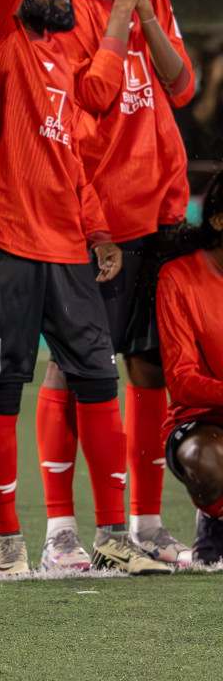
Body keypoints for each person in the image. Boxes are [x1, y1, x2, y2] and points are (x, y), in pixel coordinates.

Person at [0, 0, 171, 576]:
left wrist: (95, 226)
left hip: (63, 242)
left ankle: (113, 537)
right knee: (5, 382)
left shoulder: (58, 53)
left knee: (98, 378)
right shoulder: (6, 29)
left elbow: (77, 143)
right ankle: (12, 542)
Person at [39, 0, 196, 565]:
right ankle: (58, 531)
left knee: (149, 370)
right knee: (73, 371)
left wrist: (145, 12)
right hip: (95, 218)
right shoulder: (64, 10)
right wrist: (117, 13)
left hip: (162, 212)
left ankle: (147, 524)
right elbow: (87, 106)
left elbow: (182, 86)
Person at [155, 172, 223, 566]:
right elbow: (181, 382)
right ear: (217, 220)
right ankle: (216, 518)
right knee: (206, 458)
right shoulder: (180, 276)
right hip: (201, 421)